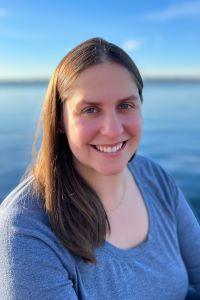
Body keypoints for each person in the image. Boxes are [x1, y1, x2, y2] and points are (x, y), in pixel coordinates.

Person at [0, 37, 200, 300]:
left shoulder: (154, 177)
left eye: (125, 105)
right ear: (60, 120)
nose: (113, 130)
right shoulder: (25, 230)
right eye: (91, 109)